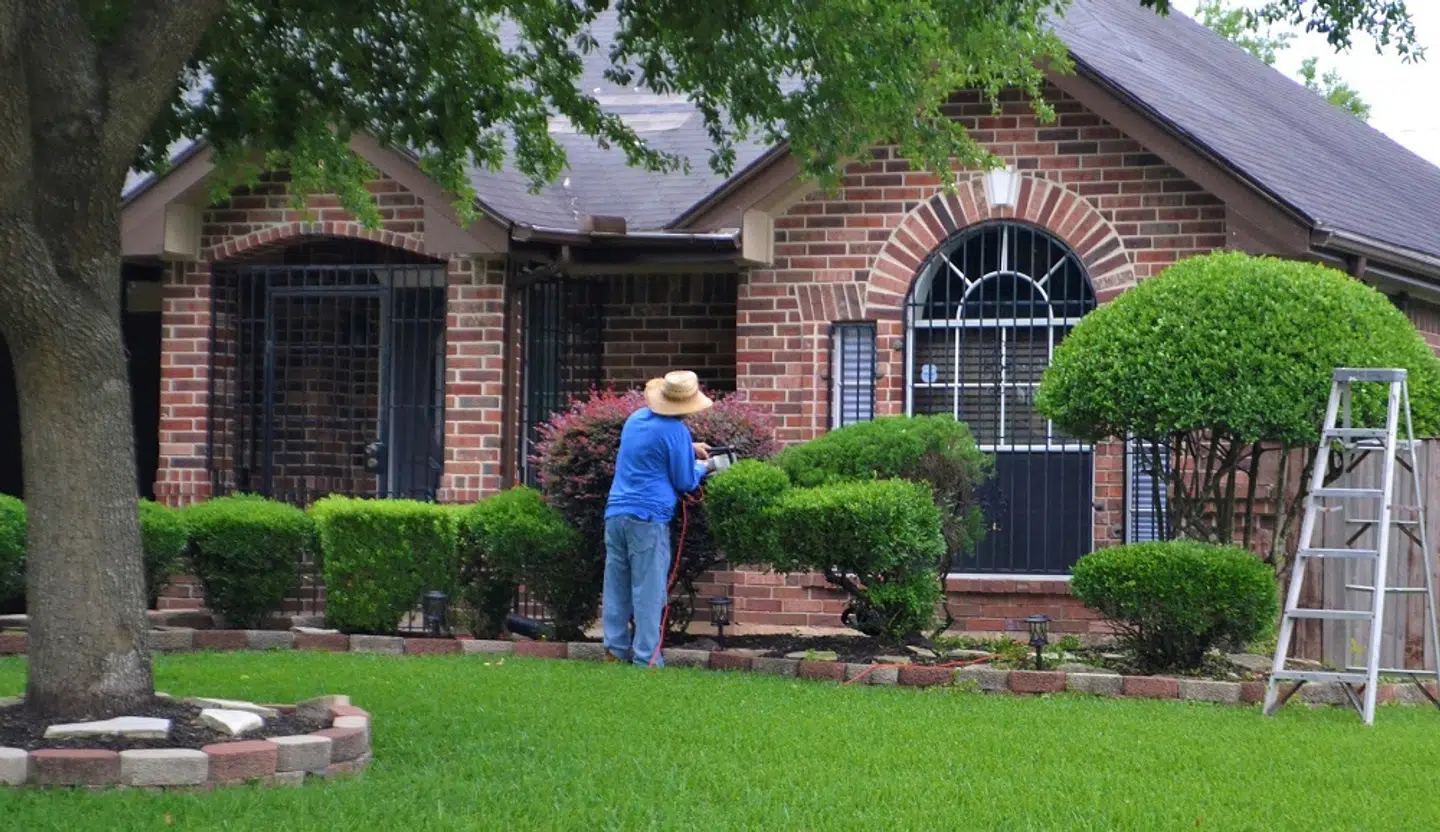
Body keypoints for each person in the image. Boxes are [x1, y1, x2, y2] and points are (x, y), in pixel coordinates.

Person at [603, 370, 717, 666]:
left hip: (616, 514)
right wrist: (707, 466)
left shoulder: (636, 420)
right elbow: (684, 481)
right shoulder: (676, 431)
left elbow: (651, 448)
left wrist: (689, 448)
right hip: (648, 518)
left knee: (617, 584)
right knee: (648, 590)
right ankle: (647, 658)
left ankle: (614, 651)